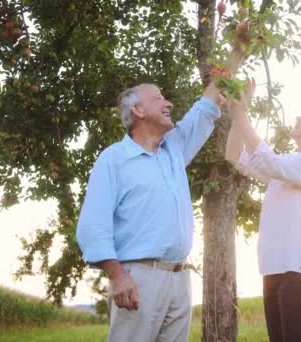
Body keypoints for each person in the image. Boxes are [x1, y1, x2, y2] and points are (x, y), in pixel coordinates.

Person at [76, 45, 245, 341]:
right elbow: (93, 225)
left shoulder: (174, 149)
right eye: (158, 98)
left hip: (179, 280)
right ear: (137, 110)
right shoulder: (114, 159)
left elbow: (207, 103)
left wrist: (238, 52)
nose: (167, 103)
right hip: (138, 277)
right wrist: (118, 276)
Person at [225, 80, 301, 342]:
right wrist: (238, 113)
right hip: (276, 270)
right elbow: (234, 154)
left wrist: (242, 112)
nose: (298, 117)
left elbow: (269, 161)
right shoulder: (288, 168)